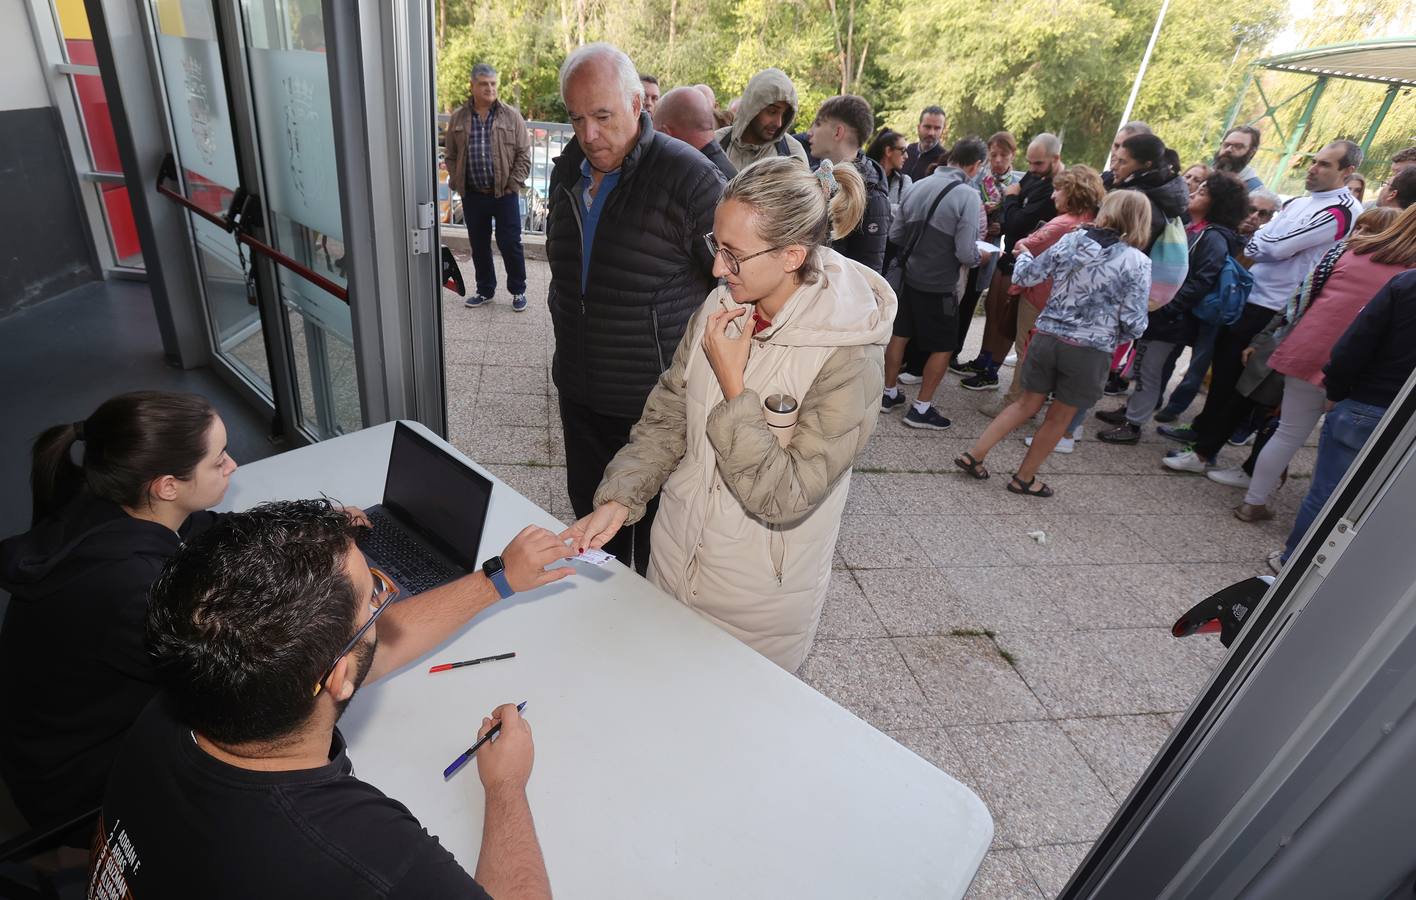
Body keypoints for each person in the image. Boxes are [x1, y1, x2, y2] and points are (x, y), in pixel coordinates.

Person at [91, 499, 572, 898]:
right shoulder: (362, 855)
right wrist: (506, 785)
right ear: (337, 674)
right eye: (373, 599)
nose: (386, 603)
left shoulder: (185, 696)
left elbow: (363, 655)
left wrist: (496, 580)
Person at [562, 157, 893, 671]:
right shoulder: (720, 304)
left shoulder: (851, 355)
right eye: (716, 247)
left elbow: (785, 497)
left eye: (733, 256)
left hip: (755, 609)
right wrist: (621, 498)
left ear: (791, 255)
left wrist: (735, 385)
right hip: (670, 567)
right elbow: (667, 418)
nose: (717, 269)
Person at [0, 392, 235, 842]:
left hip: (38, 738)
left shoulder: (106, 501)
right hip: (72, 786)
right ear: (167, 485)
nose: (233, 467)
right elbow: (224, 687)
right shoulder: (135, 590)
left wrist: (305, 527)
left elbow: (203, 531)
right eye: (218, 460)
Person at [546, 43, 724, 574]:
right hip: (579, 396)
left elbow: (738, 278)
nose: (589, 135)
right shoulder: (566, 172)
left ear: (637, 104)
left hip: (652, 410)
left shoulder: (689, 178)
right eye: (577, 119)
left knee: (653, 550)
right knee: (592, 535)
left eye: (602, 116)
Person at [1163, 139, 1361, 474]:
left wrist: (1266, 239)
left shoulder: (1341, 211)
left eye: (1326, 164)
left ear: (1348, 171)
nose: (1313, 168)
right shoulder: (1302, 202)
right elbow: (1262, 240)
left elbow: (1277, 246)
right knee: (1222, 374)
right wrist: (1267, 239)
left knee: (1237, 382)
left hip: (1273, 307)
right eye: (1315, 160)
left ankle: (1204, 452)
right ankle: (1202, 436)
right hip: (1251, 295)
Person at [1221, 203, 1416, 521]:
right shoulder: (1409, 275)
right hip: (1362, 369)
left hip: (1307, 348)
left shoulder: (1348, 251)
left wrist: (1272, 337)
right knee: (1339, 452)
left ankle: (1252, 502)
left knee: (1288, 433)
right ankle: (1314, 524)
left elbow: (1301, 297)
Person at [953, 190, 1151, 496]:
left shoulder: (1072, 240)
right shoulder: (1137, 262)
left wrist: (1025, 256)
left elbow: (1030, 276)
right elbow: (1135, 322)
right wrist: (1113, 336)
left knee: (1025, 403)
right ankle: (1024, 478)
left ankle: (974, 454)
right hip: (1091, 349)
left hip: (1046, 336)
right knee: (1059, 416)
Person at [1272, 270, 1416, 571]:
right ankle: (1349, 575)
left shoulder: (1407, 283)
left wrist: (1336, 390)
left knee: (1328, 493)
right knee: (1390, 507)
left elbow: (1356, 341)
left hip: (1369, 402)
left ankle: (1294, 566)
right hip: (1395, 414)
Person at [1095, 171, 1249, 444]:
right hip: (1161, 313)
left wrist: (1168, 308)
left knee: (1149, 369)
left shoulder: (1212, 237)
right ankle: (1132, 410)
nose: (1193, 194)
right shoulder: (1192, 228)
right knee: (1142, 365)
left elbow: (1201, 280)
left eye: (1202, 192)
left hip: (1171, 319)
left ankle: (1134, 424)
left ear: (1218, 202)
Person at [881, 137, 986, 429]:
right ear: (975, 165)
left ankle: (888, 394)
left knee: (899, 335)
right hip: (940, 285)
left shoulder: (917, 185)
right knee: (943, 346)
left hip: (908, 278)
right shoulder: (967, 195)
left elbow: (896, 235)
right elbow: (966, 252)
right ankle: (921, 408)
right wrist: (982, 258)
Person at [1154, 188, 1279, 425]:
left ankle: (1175, 406)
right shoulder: (1219, 230)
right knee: (1170, 351)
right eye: (1251, 209)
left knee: (1199, 361)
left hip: (1218, 309)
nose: (1254, 216)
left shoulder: (1262, 247)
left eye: (1263, 214)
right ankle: (1155, 396)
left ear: (1270, 219)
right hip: (1193, 300)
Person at [956, 132, 1063, 390]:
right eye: (1031, 162)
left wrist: (1013, 199)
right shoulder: (1033, 177)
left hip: (1027, 259)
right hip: (1010, 253)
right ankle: (983, 360)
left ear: (1055, 158)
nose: (1033, 169)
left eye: (1038, 164)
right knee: (993, 310)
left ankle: (991, 371)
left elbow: (1019, 219)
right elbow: (1012, 217)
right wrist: (1011, 208)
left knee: (1006, 316)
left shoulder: (1053, 186)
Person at [1003, 165, 1106, 420]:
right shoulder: (1095, 222)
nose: (1053, 196)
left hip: (1039, 296)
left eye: (1058, 189)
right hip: (1067, 304)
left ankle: (1014, 403)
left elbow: (1024, 246)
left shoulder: (1064, 224)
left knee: (1025, 350)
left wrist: (1023, 248)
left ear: (1073, 192)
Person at [446, 63, 533, 311]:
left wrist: (513, 184)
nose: (490, 88)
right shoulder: (459, 118)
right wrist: (457, 180)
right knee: (479, 245)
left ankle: (518, 291)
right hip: (473, 195)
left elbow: (523, 154)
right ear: (472, 86)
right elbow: (451, 155)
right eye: (484, 84)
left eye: (493, 83)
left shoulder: (510, 116)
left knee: (510, 243)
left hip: (504, 194)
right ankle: (485, 290)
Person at [808, 94, 890, 272]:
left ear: (838, 132)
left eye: (818, 123)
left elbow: (868, 273)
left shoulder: (872, 196)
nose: (810, 132)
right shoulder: (811, 174)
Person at [956, 132, 1022, 353]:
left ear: (1013, 155)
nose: (998, 160)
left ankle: (956, 350)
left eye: (1004, 155)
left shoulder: (1017, 185)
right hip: (968, 244)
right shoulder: (977, 179)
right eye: (994, 155)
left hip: (992, 251)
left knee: (972, 301)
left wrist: (1002, 226)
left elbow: (1019, 219)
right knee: (957, 299)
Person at [714, 68, 811, 171]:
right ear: (753, 107)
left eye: (784, 115)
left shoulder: (793, 153)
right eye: (772, 112)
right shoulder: (716, 144)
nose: (779, 123)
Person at [653, 85, 737, 181]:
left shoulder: (701, 179)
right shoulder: (723, 171)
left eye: (656, 134)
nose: (655, 142)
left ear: (665, 133)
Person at [865, 128, 912, 215]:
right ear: (888, 151)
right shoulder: (864, 177)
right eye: (903, 150)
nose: (906, 156)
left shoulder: (904, 181)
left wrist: (874, 207)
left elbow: (907, 212)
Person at [902, 106, 948, 181]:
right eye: (927, 127)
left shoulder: (944, 161)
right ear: (918, 127)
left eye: (937, 128)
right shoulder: (907, 151)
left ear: (943, 130)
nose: (931, 133)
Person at [1213, 125, 1265, 191]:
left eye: (1238, 146)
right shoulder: (1205, 175)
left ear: (1251, 152)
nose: (1228, 149)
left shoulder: (1255, 191)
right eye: (1226, 145)